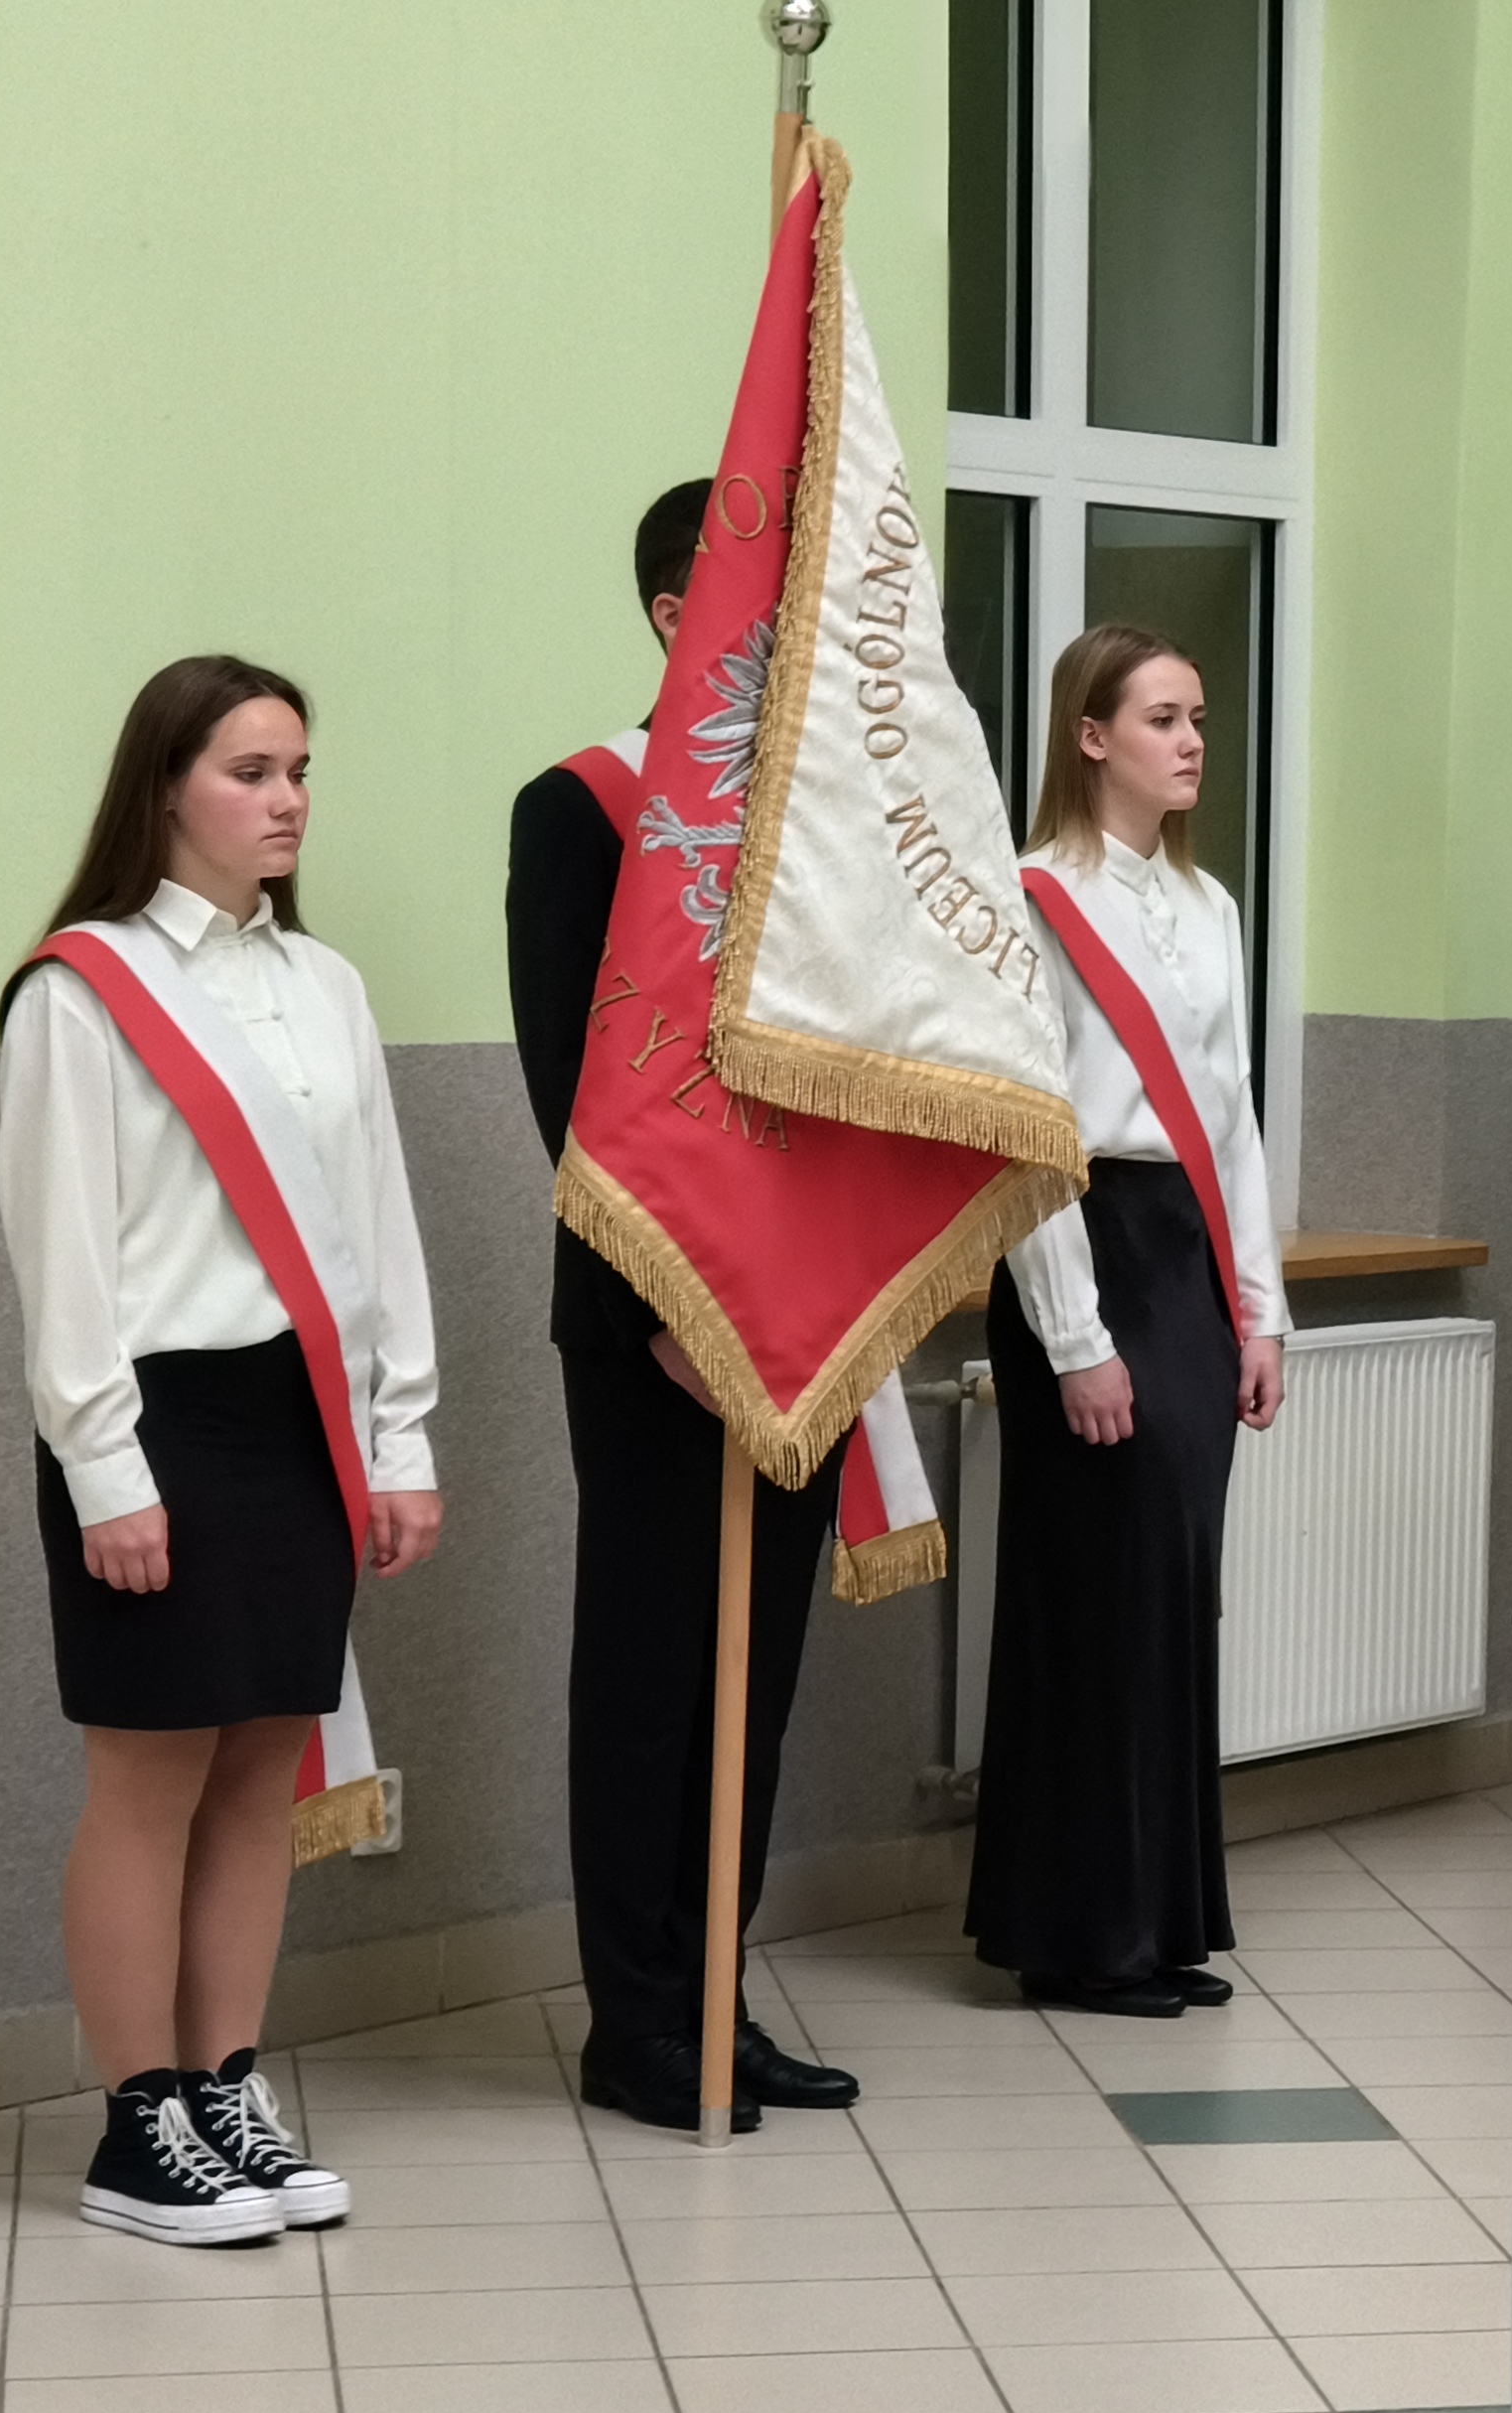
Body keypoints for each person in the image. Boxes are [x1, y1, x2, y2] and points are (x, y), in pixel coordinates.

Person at [0, 655, 443, 2244]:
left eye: (299, 770)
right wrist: (104, 1470)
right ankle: (137, 2126)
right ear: (165, 788)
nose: (287, 800)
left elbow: (376, 1225)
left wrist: (400, 1434)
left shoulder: (326, 985)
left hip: (299, 1418)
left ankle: (223, 2086)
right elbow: (63, 1258)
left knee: (264, 1772)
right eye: (251, 772)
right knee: (149, 1779)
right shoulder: (82, 991)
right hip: (157, 1420)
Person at [503, 479, 862, 2133]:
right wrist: (665, 1305)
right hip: (652, 1325)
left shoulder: (828, 822)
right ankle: (635, 2019)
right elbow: (573, 1091)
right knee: (655, 1677)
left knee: (754, 1677)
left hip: (796, 1321)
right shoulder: (585, 807)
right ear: (677, 615)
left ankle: (717, 1993)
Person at [969, 625, 1289, 2015]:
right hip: (1079, 1248)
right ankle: (1071, 1936)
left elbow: (1234, 1116)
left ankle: (1157, 1923)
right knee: (1092, 1598)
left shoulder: (1211, 906)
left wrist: (1260, 1311)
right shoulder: (1028, 898)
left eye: (1199, 716)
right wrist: (1075, 1337)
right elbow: (1025, 1132)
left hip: (1185, 1256)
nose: (1194, 741)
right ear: (1091, 736)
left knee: (1171, 1597)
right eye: (1164, 718)